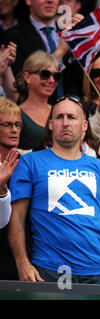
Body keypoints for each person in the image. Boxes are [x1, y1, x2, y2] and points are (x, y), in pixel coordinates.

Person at [8, 95, 100, 283]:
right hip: (49, 270)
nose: (65, 123)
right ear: (50, 124)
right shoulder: (29, 163)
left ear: (85, 126)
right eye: (59, 117)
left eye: (71, 117)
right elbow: (16, 219)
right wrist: (22, 263)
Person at [0, 0, 84, 97]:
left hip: (72, 107)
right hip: (35, 109)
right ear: (28, 1)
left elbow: (87, 80)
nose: (50, 1)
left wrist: (85, 38)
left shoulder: (70, 31)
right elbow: (20, 86)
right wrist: (60, 52)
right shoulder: (12, 36)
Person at [13, 50, 62, 152]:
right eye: (45, 74)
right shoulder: (15, 114)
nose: (52, 80)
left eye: (56, 76)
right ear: (27, 77)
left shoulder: (60, 111)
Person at [0, 97, 20, 282]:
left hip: (16, 258)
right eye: (7, 124)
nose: (14, 130)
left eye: (17, 124)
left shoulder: (28, 162)